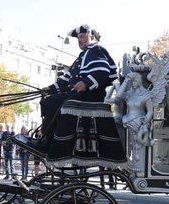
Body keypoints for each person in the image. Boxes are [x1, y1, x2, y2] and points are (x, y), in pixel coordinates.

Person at [13, 23, 117, 155]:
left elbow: (103, 72)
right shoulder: (82, 55)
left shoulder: (96, 50)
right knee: (48, 99)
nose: (79, 40)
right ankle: (46, 139)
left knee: (52, 102)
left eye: (82, 37)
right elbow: (66, 79)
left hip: (89, 96)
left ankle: (46, 142)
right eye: (78, 38)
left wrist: (85, 83)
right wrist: (50, 88)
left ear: (91, 36)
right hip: (77, 94)